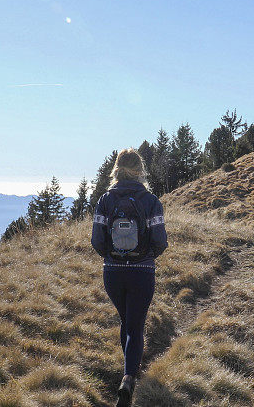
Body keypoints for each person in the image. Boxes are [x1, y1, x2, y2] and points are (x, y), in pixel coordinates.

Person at [91, 148, 168, 407]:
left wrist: (112, 256)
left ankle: (128, 369)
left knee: (126, 320)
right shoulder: (151, 200)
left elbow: (97, 240)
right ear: (140, 169)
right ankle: (128, 378)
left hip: (112, 272)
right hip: (142, 272)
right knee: (136, 326)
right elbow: (160, 241)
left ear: (116, 169)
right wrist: (146, 256)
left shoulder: (105, 200)